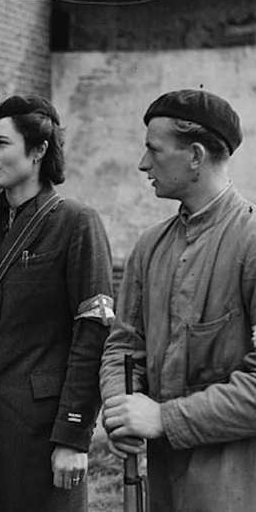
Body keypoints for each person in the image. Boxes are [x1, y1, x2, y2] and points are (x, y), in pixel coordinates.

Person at [0, 95, 113, 512]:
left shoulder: (76, 222)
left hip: (33, 428)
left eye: (1, 143)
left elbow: (92, 335)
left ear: (39, 150)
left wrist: (73, 436)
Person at [100, 89, 256, 512]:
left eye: (154, 149)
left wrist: (163, 419)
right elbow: (123, 346)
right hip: (164, 485)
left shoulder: (251, 244)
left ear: (195, 156)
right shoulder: (149, 247)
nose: (142, 163)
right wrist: (121, 411)